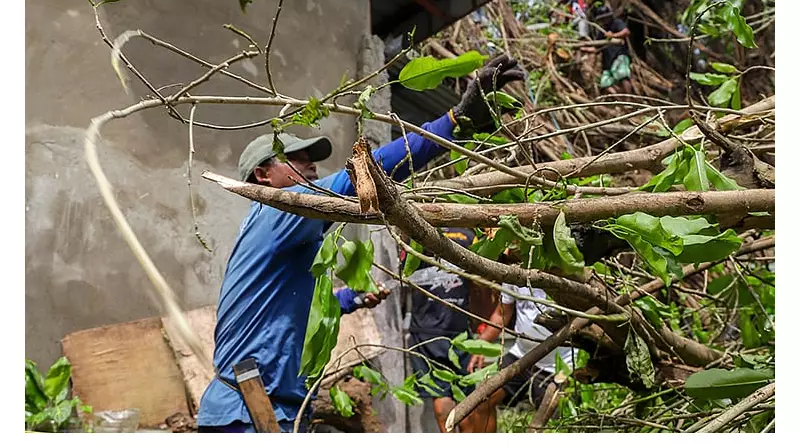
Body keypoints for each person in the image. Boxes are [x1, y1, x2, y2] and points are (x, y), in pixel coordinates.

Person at [196, 54, 525, 433]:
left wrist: (350, 300)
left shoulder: (287, 236)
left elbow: (288, 311)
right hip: (246, 413)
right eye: (298, 159)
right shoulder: (278, 212)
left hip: (276, 411)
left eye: (313, 160)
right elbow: (370, 169)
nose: (312, 167)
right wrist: (451, 125)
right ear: (263, 175)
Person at [404, 228, 494, 433]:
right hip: (454, 330)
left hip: (427, 331)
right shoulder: (469, 234)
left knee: (442, 396)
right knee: (465, 400)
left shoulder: (413, 229)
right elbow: (481, 284)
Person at [466, 283, 575, 432]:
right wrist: (480, 344)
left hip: (559, 365)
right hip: (521, 356)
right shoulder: (514, 273)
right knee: (482, 400)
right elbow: (501, 314)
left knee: (556, 422)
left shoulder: (562, 274)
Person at [583, 5, 633, 94]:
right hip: (608, 61)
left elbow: (626, 32)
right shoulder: (602, 32)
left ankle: (629, 100)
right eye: (602, 19)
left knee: (623, 76)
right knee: (605, 83)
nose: (604, 20)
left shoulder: (617, 23)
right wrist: (584, 48)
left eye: (606, 18)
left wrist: (613, 35)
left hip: (619, 55)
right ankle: (621, 100)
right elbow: (596, 48)